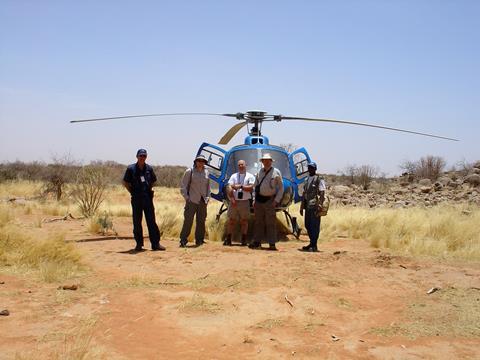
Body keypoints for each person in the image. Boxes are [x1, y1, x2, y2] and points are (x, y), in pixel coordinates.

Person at [123, 149, 165, 251]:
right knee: (137, 221)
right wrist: (132, 192)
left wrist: (149, 189)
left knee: (151, 221)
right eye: (140, 156)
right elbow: (125, 182)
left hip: (147, 198)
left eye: (144, 156)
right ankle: (139, 244)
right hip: (136, 198)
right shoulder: (131, 169)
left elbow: (153, 181)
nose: (142, 158)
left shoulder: (149, 169)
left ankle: (155, 244)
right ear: (137, 156)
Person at [250, 153, 284, 251]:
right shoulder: (259, 172)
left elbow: (281, 188)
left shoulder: (276, 172)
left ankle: (272, 243)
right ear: (262, 162)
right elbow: (255, 187)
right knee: (258, 222)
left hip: (270, 200)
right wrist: (254, 199)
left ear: (271, 161)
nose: (266, 162)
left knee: (271, 223)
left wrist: (276, 200)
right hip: (259, 201)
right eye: (264, 160)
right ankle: (257, 242)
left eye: (268, 160)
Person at [179, 154, 211, 247]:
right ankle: (183, 240)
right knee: (188, 221)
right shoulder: (190, 171)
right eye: (199, 160)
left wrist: (208, 198)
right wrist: (187, 198)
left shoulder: (207, 172)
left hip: (203, 201)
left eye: (202, 161)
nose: (200, 162)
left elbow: (208, 187)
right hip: (192, 200)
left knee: (201, 221)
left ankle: (199, 240)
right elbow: (183, 187)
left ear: (204, 162)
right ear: (195, 161)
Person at [224, 160, 255, 246]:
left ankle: (244, 240)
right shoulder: (233, 176)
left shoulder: (250, 176)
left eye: (242, 165)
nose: (241, 166)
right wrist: (232, 199)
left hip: (245, 202)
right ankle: (228, 239)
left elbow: (251, 188)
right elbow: (229, 187)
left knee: (244, 221)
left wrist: (241, 186)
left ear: (246, 165)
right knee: (231, 220)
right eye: (239, 165)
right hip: (234, 201)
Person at [299, 162, 326, 252]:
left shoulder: (319, 179)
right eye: (309, 167)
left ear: (315, 169)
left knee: (314, 225)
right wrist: (301, 207)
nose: (310, 169)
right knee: (307, 224)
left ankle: (314, 245)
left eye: (312, 167)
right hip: (307, 205)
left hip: (315, 205)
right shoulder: (306, 179)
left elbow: (322, 192)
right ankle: (311, 242)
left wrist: (320, 204)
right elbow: (304, 193)